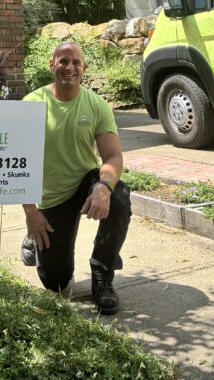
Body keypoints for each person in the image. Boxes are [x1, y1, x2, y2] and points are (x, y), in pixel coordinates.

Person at [20, 41, 132, 315]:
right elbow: (17, 165)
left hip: (85, 183)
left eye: (76, 63)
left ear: (84, 69)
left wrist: (104, 187)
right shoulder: (31, 105)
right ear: (52, 65)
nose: (69, 67)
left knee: (118, 197)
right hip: (51, 196)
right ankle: (32, 237)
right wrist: (31, 212)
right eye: (63, 61)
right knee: (55, 282)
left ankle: (103, 274)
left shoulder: (96, 105)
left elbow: (113, 157)